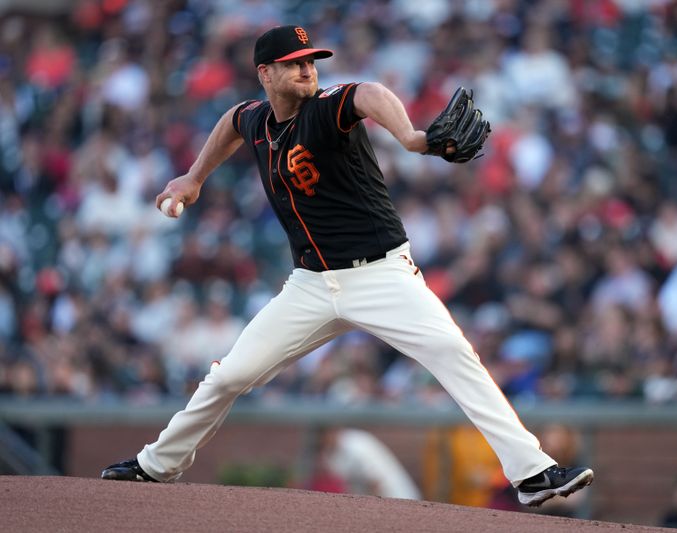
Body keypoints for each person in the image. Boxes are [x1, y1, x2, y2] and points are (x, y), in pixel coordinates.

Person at [100, 24, 593, 507]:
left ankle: (531, 473)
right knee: (229, 376)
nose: (307, 70)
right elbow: (232, 121)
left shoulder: (325, 109)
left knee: (452, 353)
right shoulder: (257, 120)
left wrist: (411, 137)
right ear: (265, 73)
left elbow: (369, 93)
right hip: (310, 285)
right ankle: (156, 464)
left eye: (311, 61)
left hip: (381, 274)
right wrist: (193, 177)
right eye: (294, 65)